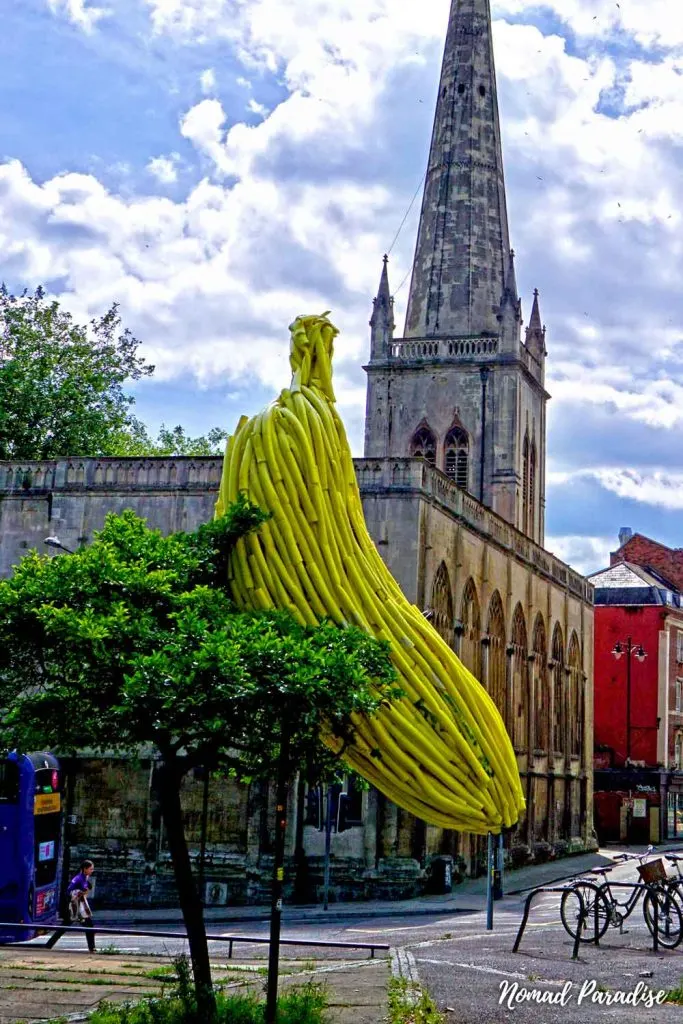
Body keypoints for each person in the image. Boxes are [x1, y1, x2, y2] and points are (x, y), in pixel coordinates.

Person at [67, 859, 96, 952]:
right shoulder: (79, 878)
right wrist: (83, 892)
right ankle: (92, 948)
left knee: (89, 926)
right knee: (89, 926)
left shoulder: (84, 878)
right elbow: (70, 891)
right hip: (76, 906)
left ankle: (92, 947)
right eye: (91, 869)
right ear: (85, 869)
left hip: (80, 906)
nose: (92, 871)